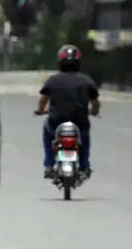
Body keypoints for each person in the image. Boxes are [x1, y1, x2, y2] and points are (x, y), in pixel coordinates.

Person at [33, 44, 100, 179]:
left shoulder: (53, 80)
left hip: (56, 123)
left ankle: (49, 164)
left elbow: (43, 100)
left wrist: (40, 111)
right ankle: (84, 165)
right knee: (85, 137)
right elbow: (95, 103)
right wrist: (94, 111)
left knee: (47, 130)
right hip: (79, 124)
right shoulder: (86, 80)